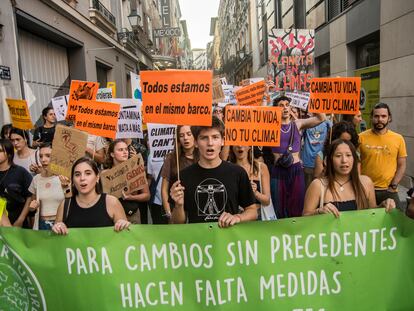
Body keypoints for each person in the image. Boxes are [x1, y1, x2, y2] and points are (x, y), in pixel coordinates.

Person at [170, 116, 257, 227]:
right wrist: (178, 205)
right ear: (196, 142)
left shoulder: (237, 173)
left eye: (215, 137)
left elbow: (252, 211)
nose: (210, 143)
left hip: (229, 241)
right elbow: (178, 222)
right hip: (198, 242)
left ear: (222, 141)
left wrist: (237, 217)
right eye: (204, 138)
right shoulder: (183, 176)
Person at [303, 139, 395, 217]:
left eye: (348, 155)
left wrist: (383, 206)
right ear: (328, 160)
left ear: (354, 159)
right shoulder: (318, 185)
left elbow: (372, 213)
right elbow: (304, 217)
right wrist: (318, 212)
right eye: (338, 156)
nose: (344, 160)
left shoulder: (365, 182)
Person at [271, 96, 326, 218]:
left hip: (295, 170)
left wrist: (313, 99)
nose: (285, 108)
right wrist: (265, 98)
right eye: (281, 105)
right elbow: (258, 118)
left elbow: (321, 118)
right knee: (278, 207)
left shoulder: (297, 124)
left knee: (297, 205)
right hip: (278, 170)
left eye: (287, 105)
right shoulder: (271, 125)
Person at [52, 157, 130, 234]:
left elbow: (126, 238)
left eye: (88, 173)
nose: (82, 178)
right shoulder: (65, 205)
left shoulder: (112, 202)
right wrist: (58, 227)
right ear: (72, 180)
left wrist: (124, 224)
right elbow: (57, 242)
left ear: (97, 177)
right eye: (77, 174)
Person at [359, 103, 407, 209]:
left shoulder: (398, 139)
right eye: (376, 116)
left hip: (389, 190)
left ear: (389, 118)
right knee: (364, 221)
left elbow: (402, 165)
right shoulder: (360, 138)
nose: (379, 119)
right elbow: (355, 164)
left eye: (383, 116)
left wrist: (393, 185)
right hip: (365, 189)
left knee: (396, 221)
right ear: (371, 118)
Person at [104, 139, 150, 224]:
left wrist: (131, 197)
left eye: (126, 149)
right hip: (111, 216)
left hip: (132, 216)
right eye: (120, 150)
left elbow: (147, 195)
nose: (125, 152)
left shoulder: (136, 171)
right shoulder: (106, 174)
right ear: (112, 154)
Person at [28, 143, 70, 230]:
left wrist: (67, 187)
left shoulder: (64, 177)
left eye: (48, 156)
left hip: (61, 224)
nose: (43, 159)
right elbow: (33, 206)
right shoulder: (36, 179)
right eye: (41, 156)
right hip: (41, 225)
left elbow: (71, 203)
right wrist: (31, 209)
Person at [161, 125, 197, 221]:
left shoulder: (203, 157)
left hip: (196, 208)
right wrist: (168, 212)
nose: (185, 138)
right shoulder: (171, 158)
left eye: (189, 134)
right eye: (181, 135)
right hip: (176, 208)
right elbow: (164, 189)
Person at [229, 146, 271, 217]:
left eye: (243, 143)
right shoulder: (228, 168)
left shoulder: (261, 167)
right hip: (236, 216)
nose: (240, 146)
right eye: (236, 143)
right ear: (232, 147)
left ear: (249, 147)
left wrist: (255, 193)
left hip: (258, 215)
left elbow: (267, 201)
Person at [0, 139, 33, 227]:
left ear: (9, 153)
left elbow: (30, 196)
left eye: (0, 151)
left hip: (18, 221)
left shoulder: (20, 172)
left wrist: (20, 219)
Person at [301, 117, 331, 189]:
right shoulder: (307, 122)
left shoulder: (327, 122)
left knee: (320, 188)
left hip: (321, 162)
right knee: (307, 189)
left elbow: (333, 135)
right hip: (308, 162)